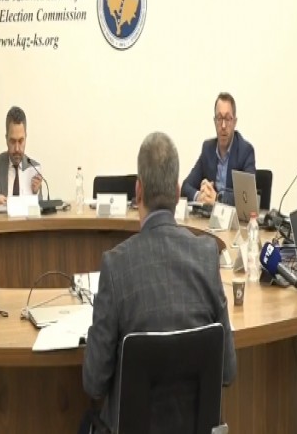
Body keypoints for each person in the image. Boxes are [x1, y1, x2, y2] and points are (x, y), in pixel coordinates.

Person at [82, 132, 236, 433]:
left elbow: (94, 382)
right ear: (178, 192)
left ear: (138, 191)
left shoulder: (115, 267)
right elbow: (228, 371)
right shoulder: (206, 256)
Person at [181, 92, 255, 206]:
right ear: (214, 121)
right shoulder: (208, 149)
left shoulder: (245, 151)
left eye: (228, 119)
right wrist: (200, 196)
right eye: (219, 118)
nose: (223, 126)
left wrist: (217, 198)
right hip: (209, 216)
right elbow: (186, 186)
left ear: (234, 122)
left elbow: (247, 197)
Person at [0, 106, 42, 208]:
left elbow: (41, 211)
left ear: (26, 138)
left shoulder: (34, 168)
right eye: (13, 141)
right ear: (6, 139)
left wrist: (36, 193)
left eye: (21, 141)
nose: (17, 148)